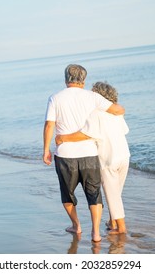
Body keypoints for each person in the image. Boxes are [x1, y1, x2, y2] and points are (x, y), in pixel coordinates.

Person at [43, 64, 125, 242]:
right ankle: (96, 232)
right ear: (84, 80)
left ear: (66, 79)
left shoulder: (55, 98)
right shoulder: (93, 97)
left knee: (67, 193)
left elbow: (49, 125)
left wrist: (45, 150)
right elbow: (118, 110)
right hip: (89, 153)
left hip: (65, 155)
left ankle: (76, 226)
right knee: (94, 193)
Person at [56, 82, 130, 234]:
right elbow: (124, 130)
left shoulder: (95, 113)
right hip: (124, 156)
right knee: (115, 193)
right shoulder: (117, 113)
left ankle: (121, 228)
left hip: (108, 159)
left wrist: (63, 138)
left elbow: (85, 134)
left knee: (112, 193)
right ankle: (112, 222)